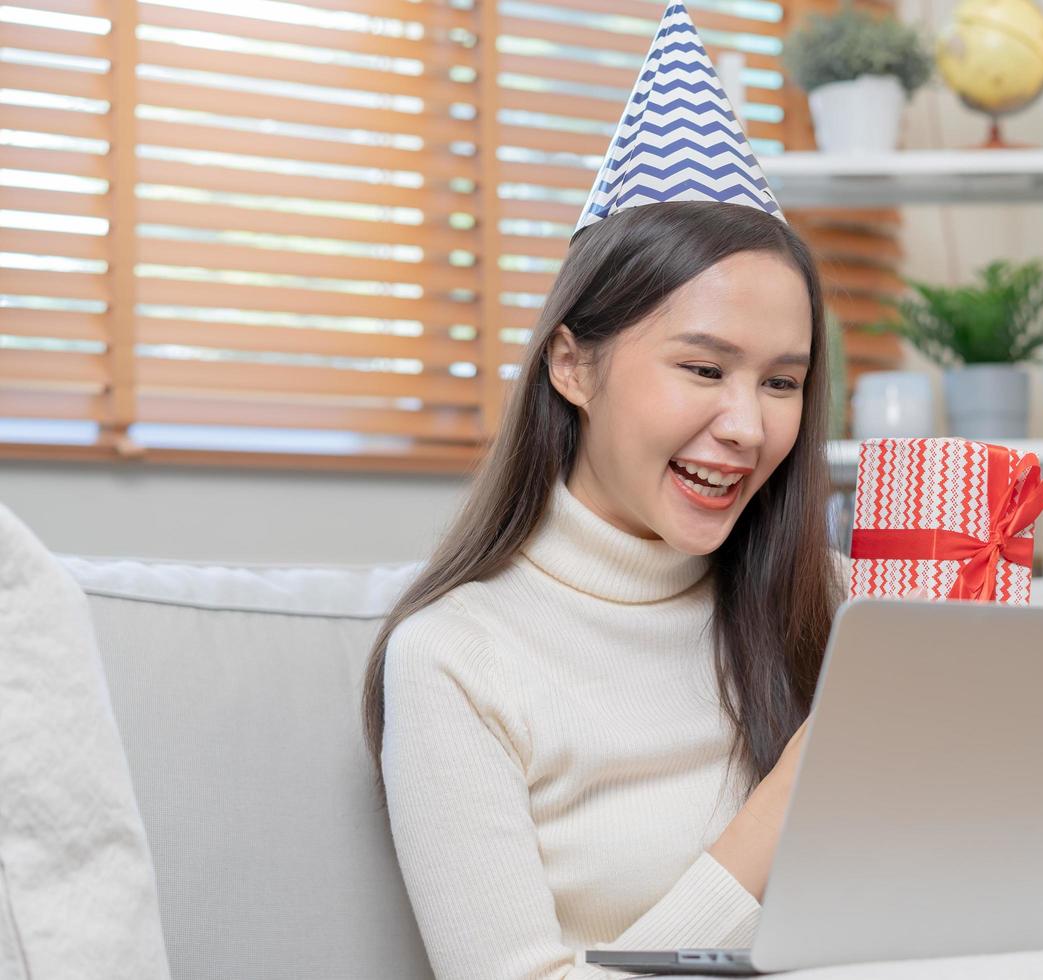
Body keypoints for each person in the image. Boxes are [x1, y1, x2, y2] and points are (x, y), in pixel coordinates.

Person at [359, 6, 843, 977]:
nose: (749, 426)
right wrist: (785, 811)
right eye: (704, 369)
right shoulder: (457, 659)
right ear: (573, 367)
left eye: (781, 381)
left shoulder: (832, 599)